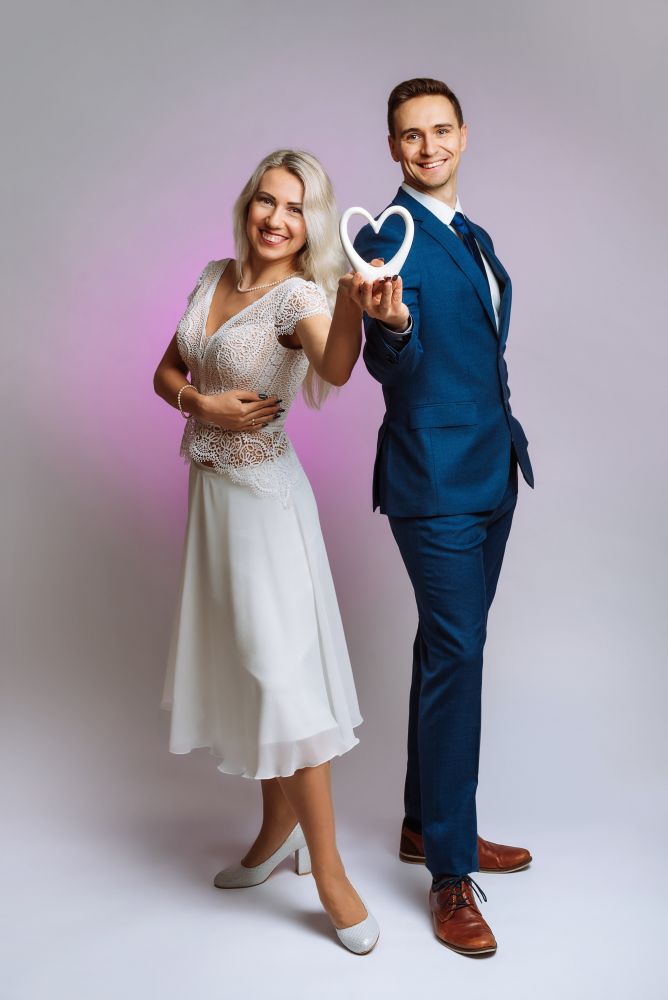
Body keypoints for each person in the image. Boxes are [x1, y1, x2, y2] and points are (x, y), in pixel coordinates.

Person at [154, 149, 401, 954]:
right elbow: (166, 370)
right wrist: (202, 405)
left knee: (279, 675)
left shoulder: (299, 297)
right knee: (246, 666)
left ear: (310, 225)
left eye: (295, 209)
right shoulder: (213, 277)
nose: (276, 218)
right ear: (248, 204)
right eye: (267, 200)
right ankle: (275, 832)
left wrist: (356, 305)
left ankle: (329, 872)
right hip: (212, 498)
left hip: (265, 503)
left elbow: (336, 366)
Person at [351, 79, 535, 956]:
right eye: (410, 135)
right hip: (433, 481)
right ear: (393, 147)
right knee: (459, 656)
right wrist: (389, 325)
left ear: (463, 134)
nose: (427, 147)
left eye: (440, 130)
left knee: (445, 648)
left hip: (492, 472)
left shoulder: (471, 233)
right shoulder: (386, 236)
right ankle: (450, 876)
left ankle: (426, 824)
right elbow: (397, 355)